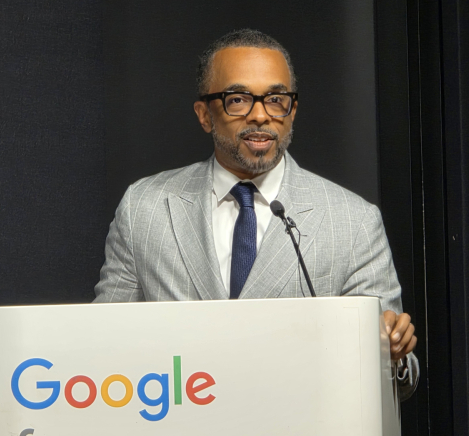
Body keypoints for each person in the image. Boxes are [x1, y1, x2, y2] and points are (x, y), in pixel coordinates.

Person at [94, 29, 418, 398]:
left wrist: (392, 355)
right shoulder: (145, 207)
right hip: (175, 422)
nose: (261, 115)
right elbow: (103, 343)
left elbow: (398, 372)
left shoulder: (353, 221)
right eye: (238, 100)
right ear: (204, 115)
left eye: (276, 100)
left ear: (292, 111)